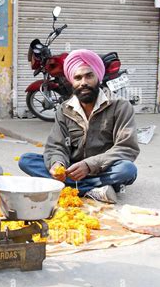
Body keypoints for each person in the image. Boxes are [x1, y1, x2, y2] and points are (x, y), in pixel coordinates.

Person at [18, 49, 140, 203]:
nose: (84, 82)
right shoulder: (64, 109)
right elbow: (56, 145)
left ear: (98, 77)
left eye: (89, 76)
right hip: (73, 169)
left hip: (104, 168)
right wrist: (57, 164)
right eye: (78, 78)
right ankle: (92, 189)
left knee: (127, 170)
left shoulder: (120, 106)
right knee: (26, 160)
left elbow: (126, 148)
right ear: (71, 81)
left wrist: (89, 165)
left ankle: (71, 187)